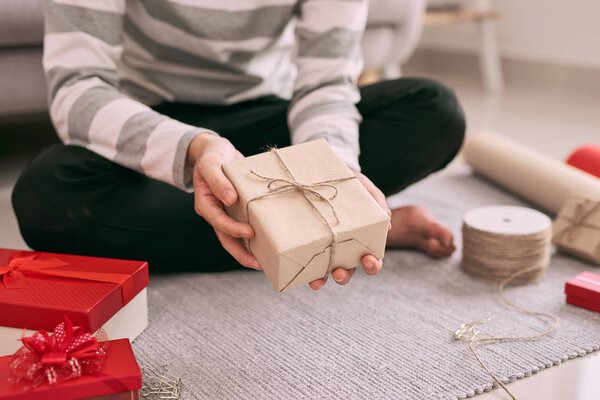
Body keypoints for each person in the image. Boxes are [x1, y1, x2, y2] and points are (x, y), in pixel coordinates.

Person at [12, 0, 465, 290]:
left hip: (271, 123)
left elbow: (326, 83)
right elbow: (78, 91)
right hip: (161, 126)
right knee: (47, 195)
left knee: (434, 110)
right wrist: (196, 147)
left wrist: (333, 175)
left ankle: (306, 229)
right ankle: (309, 235)